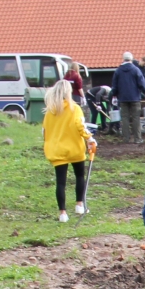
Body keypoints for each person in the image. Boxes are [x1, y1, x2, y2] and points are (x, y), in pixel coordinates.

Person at [43, 80, 95, 223]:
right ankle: (79, 204)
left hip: (57, 150)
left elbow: (45, 131)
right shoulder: (75, 108)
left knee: (61, 182)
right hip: (74, 149)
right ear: (68, 92)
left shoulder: (50, 111)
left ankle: (62, 213)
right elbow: (81, 126)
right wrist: (90, 139)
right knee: (79, 176)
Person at [112, 51, 145, 143]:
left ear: (123, 59)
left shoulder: (118, 71)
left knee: (125, 118)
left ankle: (126, 139)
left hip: (123, 98)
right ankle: (137, 138)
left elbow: (115, 85)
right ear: (131, 59)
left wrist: (114, 95)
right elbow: (141, 83)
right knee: (136, 118)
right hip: (135, 98)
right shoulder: (136, 70)